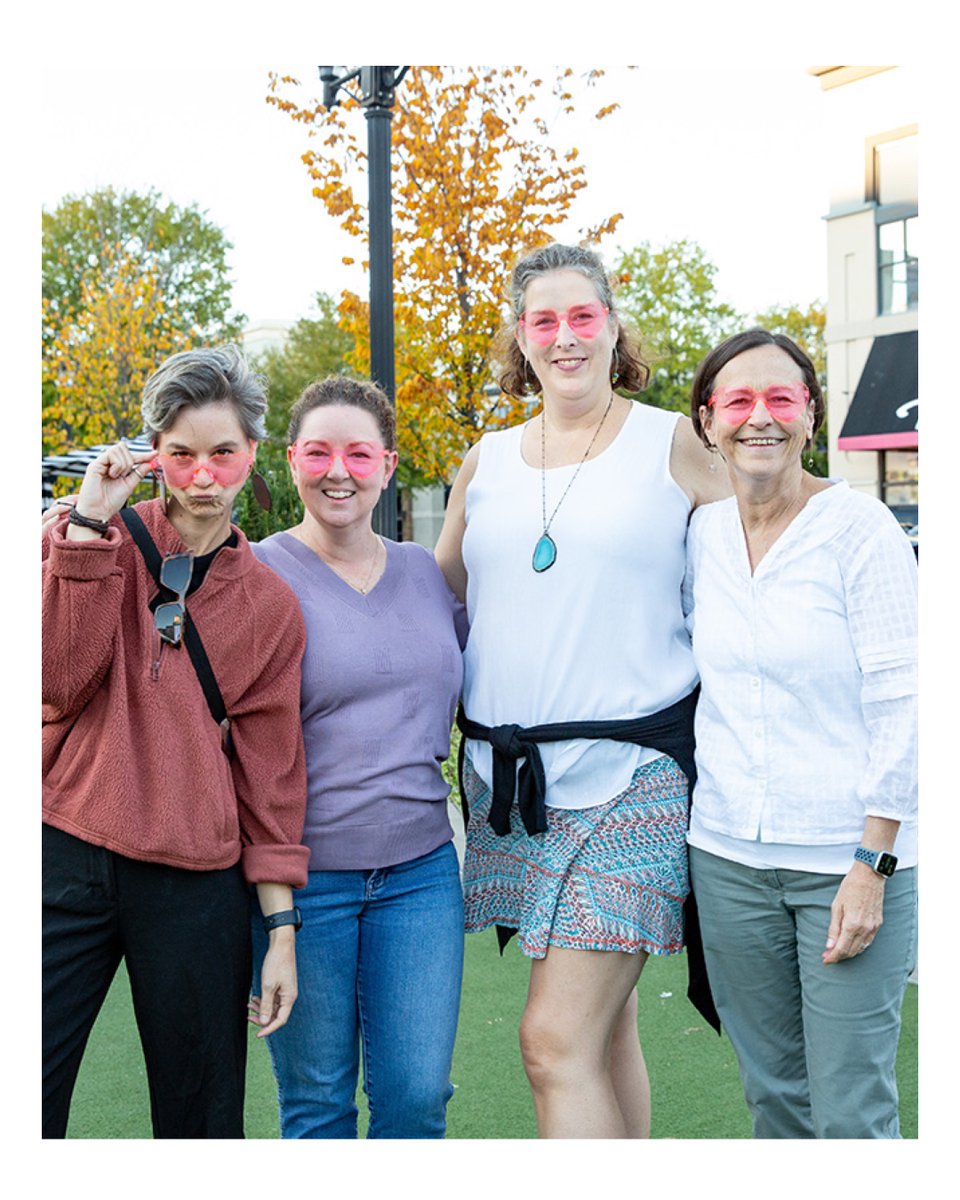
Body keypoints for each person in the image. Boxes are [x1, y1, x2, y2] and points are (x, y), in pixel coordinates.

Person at [433, 241, 730, 1139]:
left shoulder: (672, 440)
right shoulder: (484, 460)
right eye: (543, 320)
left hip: (635, 775)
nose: (564, 337)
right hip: (510, 785)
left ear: (612, 326)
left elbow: (757, 561)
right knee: (603, 1031)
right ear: (520, 340)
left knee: (553, 1039)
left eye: (582, 317)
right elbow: (438, 593)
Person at [42, 345, 309, 1139]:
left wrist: (282, 934)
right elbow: (55, 680)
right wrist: (89, 528)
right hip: (64, 852)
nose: (202, 476)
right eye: (182, 454)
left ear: (251, 455)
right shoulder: (84, 537)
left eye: (223, 454)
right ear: (154, 456)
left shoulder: (270, 606)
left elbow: (270, 782)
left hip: (196, 883)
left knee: (200, 1121)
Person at [683, 329, 918, 1139]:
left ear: (810, 417)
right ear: (709, 421)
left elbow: (904, 699)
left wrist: (871, 862)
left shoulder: (861, 530)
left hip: (843, 862)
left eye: (781, 399)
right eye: (738, 401)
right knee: (775, 1098)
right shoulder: (702, 535)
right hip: (728, 859)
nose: (760, 419)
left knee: (852, 1112)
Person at [249, 376, 467, 1139]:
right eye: (318, 452)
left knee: (415, 1099)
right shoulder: (257, 576)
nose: (338, 470)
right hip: (304, 888)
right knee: (317, 1107)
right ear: (291, 461)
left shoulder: (427, 576)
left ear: (389, 463)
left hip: (422, 876)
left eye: (358, 453)